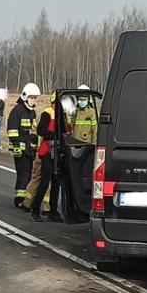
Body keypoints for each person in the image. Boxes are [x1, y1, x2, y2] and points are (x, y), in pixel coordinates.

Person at [59, 86, 100, 224]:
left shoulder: (91, 112)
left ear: (88, 100)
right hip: (73, 146)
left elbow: (95, 131)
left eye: (84, 99)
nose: (82, 101)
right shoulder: (74, 111)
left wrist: (95, 147)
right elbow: (69, 125)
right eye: (80, 98)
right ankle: (74, 208)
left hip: (86, 148)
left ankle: (84, 208)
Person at [7, 83, 42, 208]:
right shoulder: (17, 111)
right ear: (25, 96)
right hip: (20, 148)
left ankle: (25, 198)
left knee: (29, 174)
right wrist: (16, 145)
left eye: (35, 98)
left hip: (29, 149)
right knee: (23, 173)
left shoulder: (32, 113)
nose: (34, 100)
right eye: (32, 97)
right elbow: (12, 130)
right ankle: (19, 199)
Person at [29, 101, 61, 221]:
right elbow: (40, 130)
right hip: (47, 152)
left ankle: (53, 211)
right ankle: (35, 210)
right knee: (45, 181)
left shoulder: (64, 115)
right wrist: (55, 135)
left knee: (56, 183)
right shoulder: (47, 114)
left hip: (58, 152)